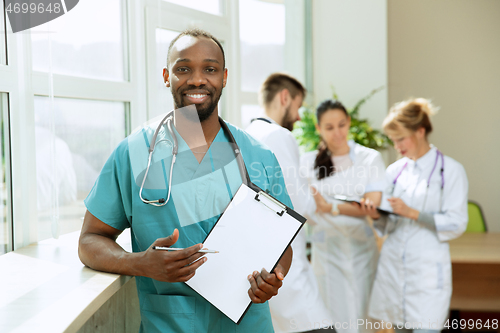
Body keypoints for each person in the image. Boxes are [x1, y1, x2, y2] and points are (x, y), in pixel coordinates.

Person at [78, 28, 293, 333]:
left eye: (210, 69)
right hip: (169, 324)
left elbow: (282, 245)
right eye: (183, 69)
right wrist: (139, 263)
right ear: (167, 76)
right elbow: (89, 240)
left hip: (248, 325)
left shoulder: (258, 156)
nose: (196, 79)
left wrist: (275, 277)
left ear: (225, 77)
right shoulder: (134, 153)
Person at [367, 98, 468, 333]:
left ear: (420, 131)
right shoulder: (394, 171)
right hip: (394, 269)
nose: (397, 147)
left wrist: (413, 213)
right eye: (393, 141)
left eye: (401, 139)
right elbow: (389, 223)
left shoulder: (450, 170)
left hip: (427, 274)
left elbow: (457, 222)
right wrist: (375, 215)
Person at [246, 73, 334, 333]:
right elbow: (300, 205)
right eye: (298, 106)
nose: (298, 117)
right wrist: (313, 192)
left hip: (259, 267)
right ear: (285, 98)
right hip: (286, 271)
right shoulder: (278, 135)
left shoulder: (244, 135)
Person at [299, 100, 386, 333]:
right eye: (329, 127)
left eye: (341, 125)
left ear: (349, 123)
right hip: (326, 251)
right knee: (333, 318)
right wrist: (336, 207)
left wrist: (330, 207)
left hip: (363, 250)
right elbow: (303, 206)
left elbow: (373, 204)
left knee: (364, 317)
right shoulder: (307, 162)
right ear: (318, 129)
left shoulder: (369, 158)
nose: (337, 133)